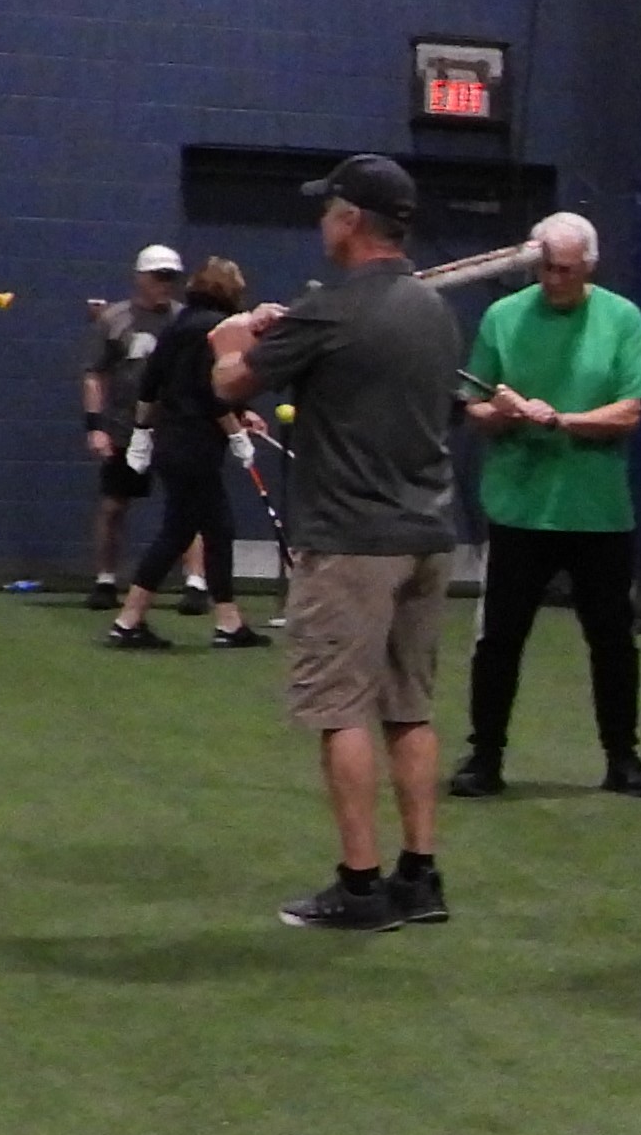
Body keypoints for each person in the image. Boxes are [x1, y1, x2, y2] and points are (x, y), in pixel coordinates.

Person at [214, 153, 466, 931]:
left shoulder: (330, 310)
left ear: (352, 219)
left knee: (342, 710)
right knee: (409, 709)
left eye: (328, 210)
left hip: (352, 540)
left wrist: (231, 335)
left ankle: (360, 887)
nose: (321, 222)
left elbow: (230, 383)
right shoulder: (434, 311)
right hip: (429, 534)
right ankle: (419, 876)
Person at [450, 211, 641, 799]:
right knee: (500, 639)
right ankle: (484, 758)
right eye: (545, 267)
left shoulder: (622, 318)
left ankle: (623, 759)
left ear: (589, 266)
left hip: (598, 513)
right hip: (519, 509)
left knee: (612, 640)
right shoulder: (502, 317)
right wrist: (503, 413)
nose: (553, 279)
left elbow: (630, 411)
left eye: (565, 270)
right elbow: (474, 407)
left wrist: (561, 420)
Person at [104, 256, 267, 650]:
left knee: (194, 528)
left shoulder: (179, 323)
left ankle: (143, 620)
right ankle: (139, 621)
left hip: (172, 441)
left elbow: (152, 382)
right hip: (196, 444)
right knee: (201, 530)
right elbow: (212, 393)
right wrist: (236, 434)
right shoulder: (218, 328)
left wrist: (142, 432)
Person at [83, 246, 203, 607]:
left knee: (190, 504)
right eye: (158, 277)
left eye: (171, 278)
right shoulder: (115, 319)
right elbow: (95, 374)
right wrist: (95, 426)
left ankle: (196, 582)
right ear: (141, 278)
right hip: (125, 425)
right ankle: (106, 579)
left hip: (175, 426)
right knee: (114, 506)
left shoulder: (185, 321)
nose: (165, 284)